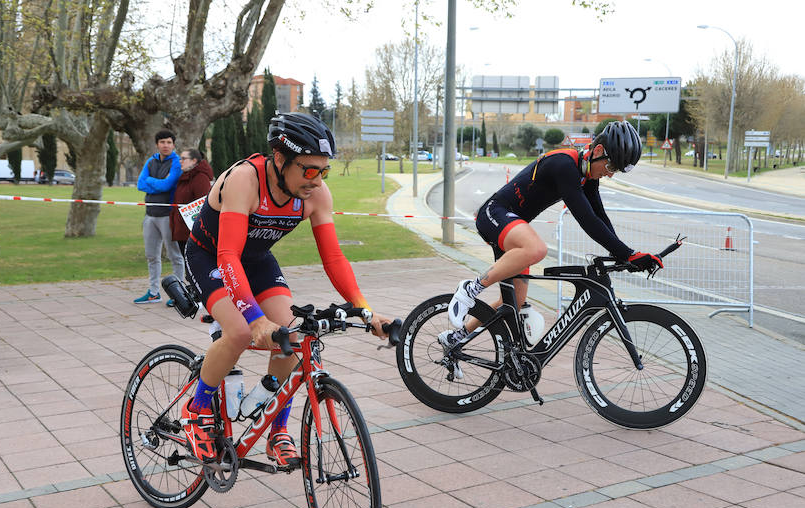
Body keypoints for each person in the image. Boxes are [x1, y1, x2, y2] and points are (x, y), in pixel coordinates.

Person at [181, 112, 394, 465]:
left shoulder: (316, 194)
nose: (317, 180)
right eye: (309, 170)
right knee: (236, 333)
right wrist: (254, 318)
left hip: (257, 260)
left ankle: (277, 429)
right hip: (211, 256)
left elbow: (334, 259)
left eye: (324, 171)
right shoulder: (244, 180)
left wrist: (365, 310)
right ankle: (197, 409)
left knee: (293, 337)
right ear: (280, 159)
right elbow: (227, 254)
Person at [444, 121, 663, 342]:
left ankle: (457, 338)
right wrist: (628, 253)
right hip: (495, 213)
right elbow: (586, 220)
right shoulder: (565, 165)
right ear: (598, 151)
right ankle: (470, 290)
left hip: (511, 225)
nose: (611, 175)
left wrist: (628, 255)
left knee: (515, 302)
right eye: (611, 167)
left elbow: (600, 217)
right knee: (536, 249)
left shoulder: (586, 176)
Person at [135, 129, 183, 304]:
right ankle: (154, 292)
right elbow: (140, 184)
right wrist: (157, 183)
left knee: (175, 255)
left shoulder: (177, 162)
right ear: (157, 144)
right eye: (162, 142)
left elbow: (168, 185)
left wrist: (152, 182)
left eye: (169, 142)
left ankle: (179, 294)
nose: (166, 145)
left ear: (173, 145)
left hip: (167, 215)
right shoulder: (150, 161)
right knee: (151, 256)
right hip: (150, 215)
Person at [169, 149, 214, 308]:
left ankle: (202, 294)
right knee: (188, 262)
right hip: (181, 228)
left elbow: (203, 204)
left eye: (184, 158)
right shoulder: (185, 176)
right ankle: (195, 291)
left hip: (192, 231)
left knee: (195, 263)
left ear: (194, 161)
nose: (180, 161)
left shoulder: (200, 178)